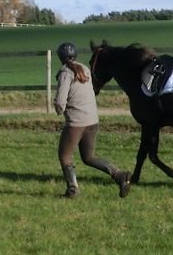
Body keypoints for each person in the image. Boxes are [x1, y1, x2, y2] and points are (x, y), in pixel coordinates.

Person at [53, 42, 131, 198]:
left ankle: (72, 190)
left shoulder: (65, 73)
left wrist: (59, 109)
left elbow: (61, 102)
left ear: (60, 57)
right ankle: (119, 175)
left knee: (64, 156)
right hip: (92, 120)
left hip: (76, 122)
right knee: (89, 157)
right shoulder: (84, 69)